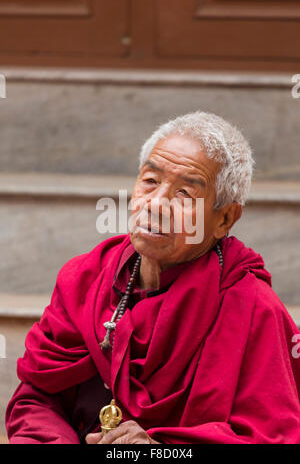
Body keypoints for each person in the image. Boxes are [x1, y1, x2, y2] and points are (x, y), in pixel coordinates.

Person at [6, 111, 300, 444]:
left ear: (225, 219)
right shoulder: (86, 279)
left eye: (185, 194)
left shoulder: (253, 309)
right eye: (150, 181)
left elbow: (270, 437)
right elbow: (38, 398)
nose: (157, 204)